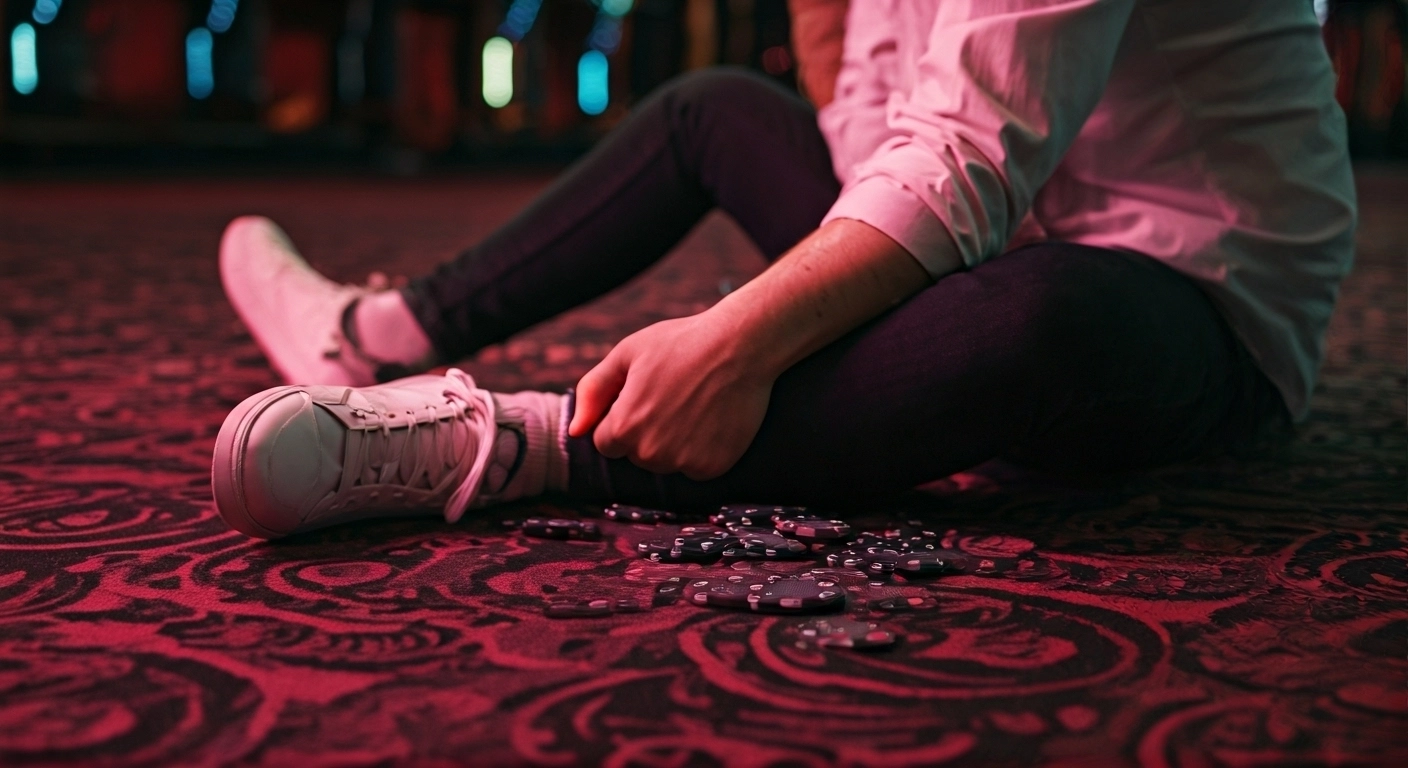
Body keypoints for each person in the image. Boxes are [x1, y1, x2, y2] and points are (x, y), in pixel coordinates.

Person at [211, 0, 1355, 539]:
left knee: (1045, 316)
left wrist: (740, 340)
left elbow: (971, 156)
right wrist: (805, 308)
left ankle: (521, 446)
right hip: (999, 237)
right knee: (722, 110)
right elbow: (885, 134)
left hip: (1197, 309)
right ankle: (378, 334)